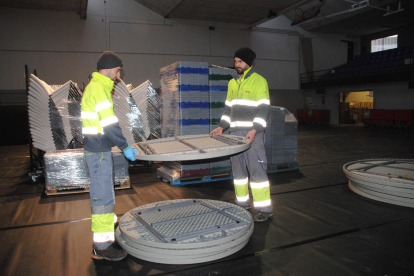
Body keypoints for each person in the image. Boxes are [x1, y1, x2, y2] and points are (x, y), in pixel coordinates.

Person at [81, 51, 138, 261]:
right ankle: (102, 247)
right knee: (103, 198)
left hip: (98, 150)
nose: (118, 74)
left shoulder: (97, 87)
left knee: (105, 194)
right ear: (107, 68)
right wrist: (124, 146)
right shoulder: (99, 89)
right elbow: (109, 125)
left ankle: (108, 229)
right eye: (117, 70)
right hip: (98, 153)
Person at [210, 47, 273, 222]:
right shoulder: (232, 83)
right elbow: (228, 109)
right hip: (234, 136)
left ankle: (264, 209)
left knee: (257, 173)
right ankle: (242, 203)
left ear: (248, 62)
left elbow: (264, 109)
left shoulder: (259, 82)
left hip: (252, 136)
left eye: (240, 61)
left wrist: (254, 130)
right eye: (235, 61)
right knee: (238, 173)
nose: (236, 64)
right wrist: (222, 127)